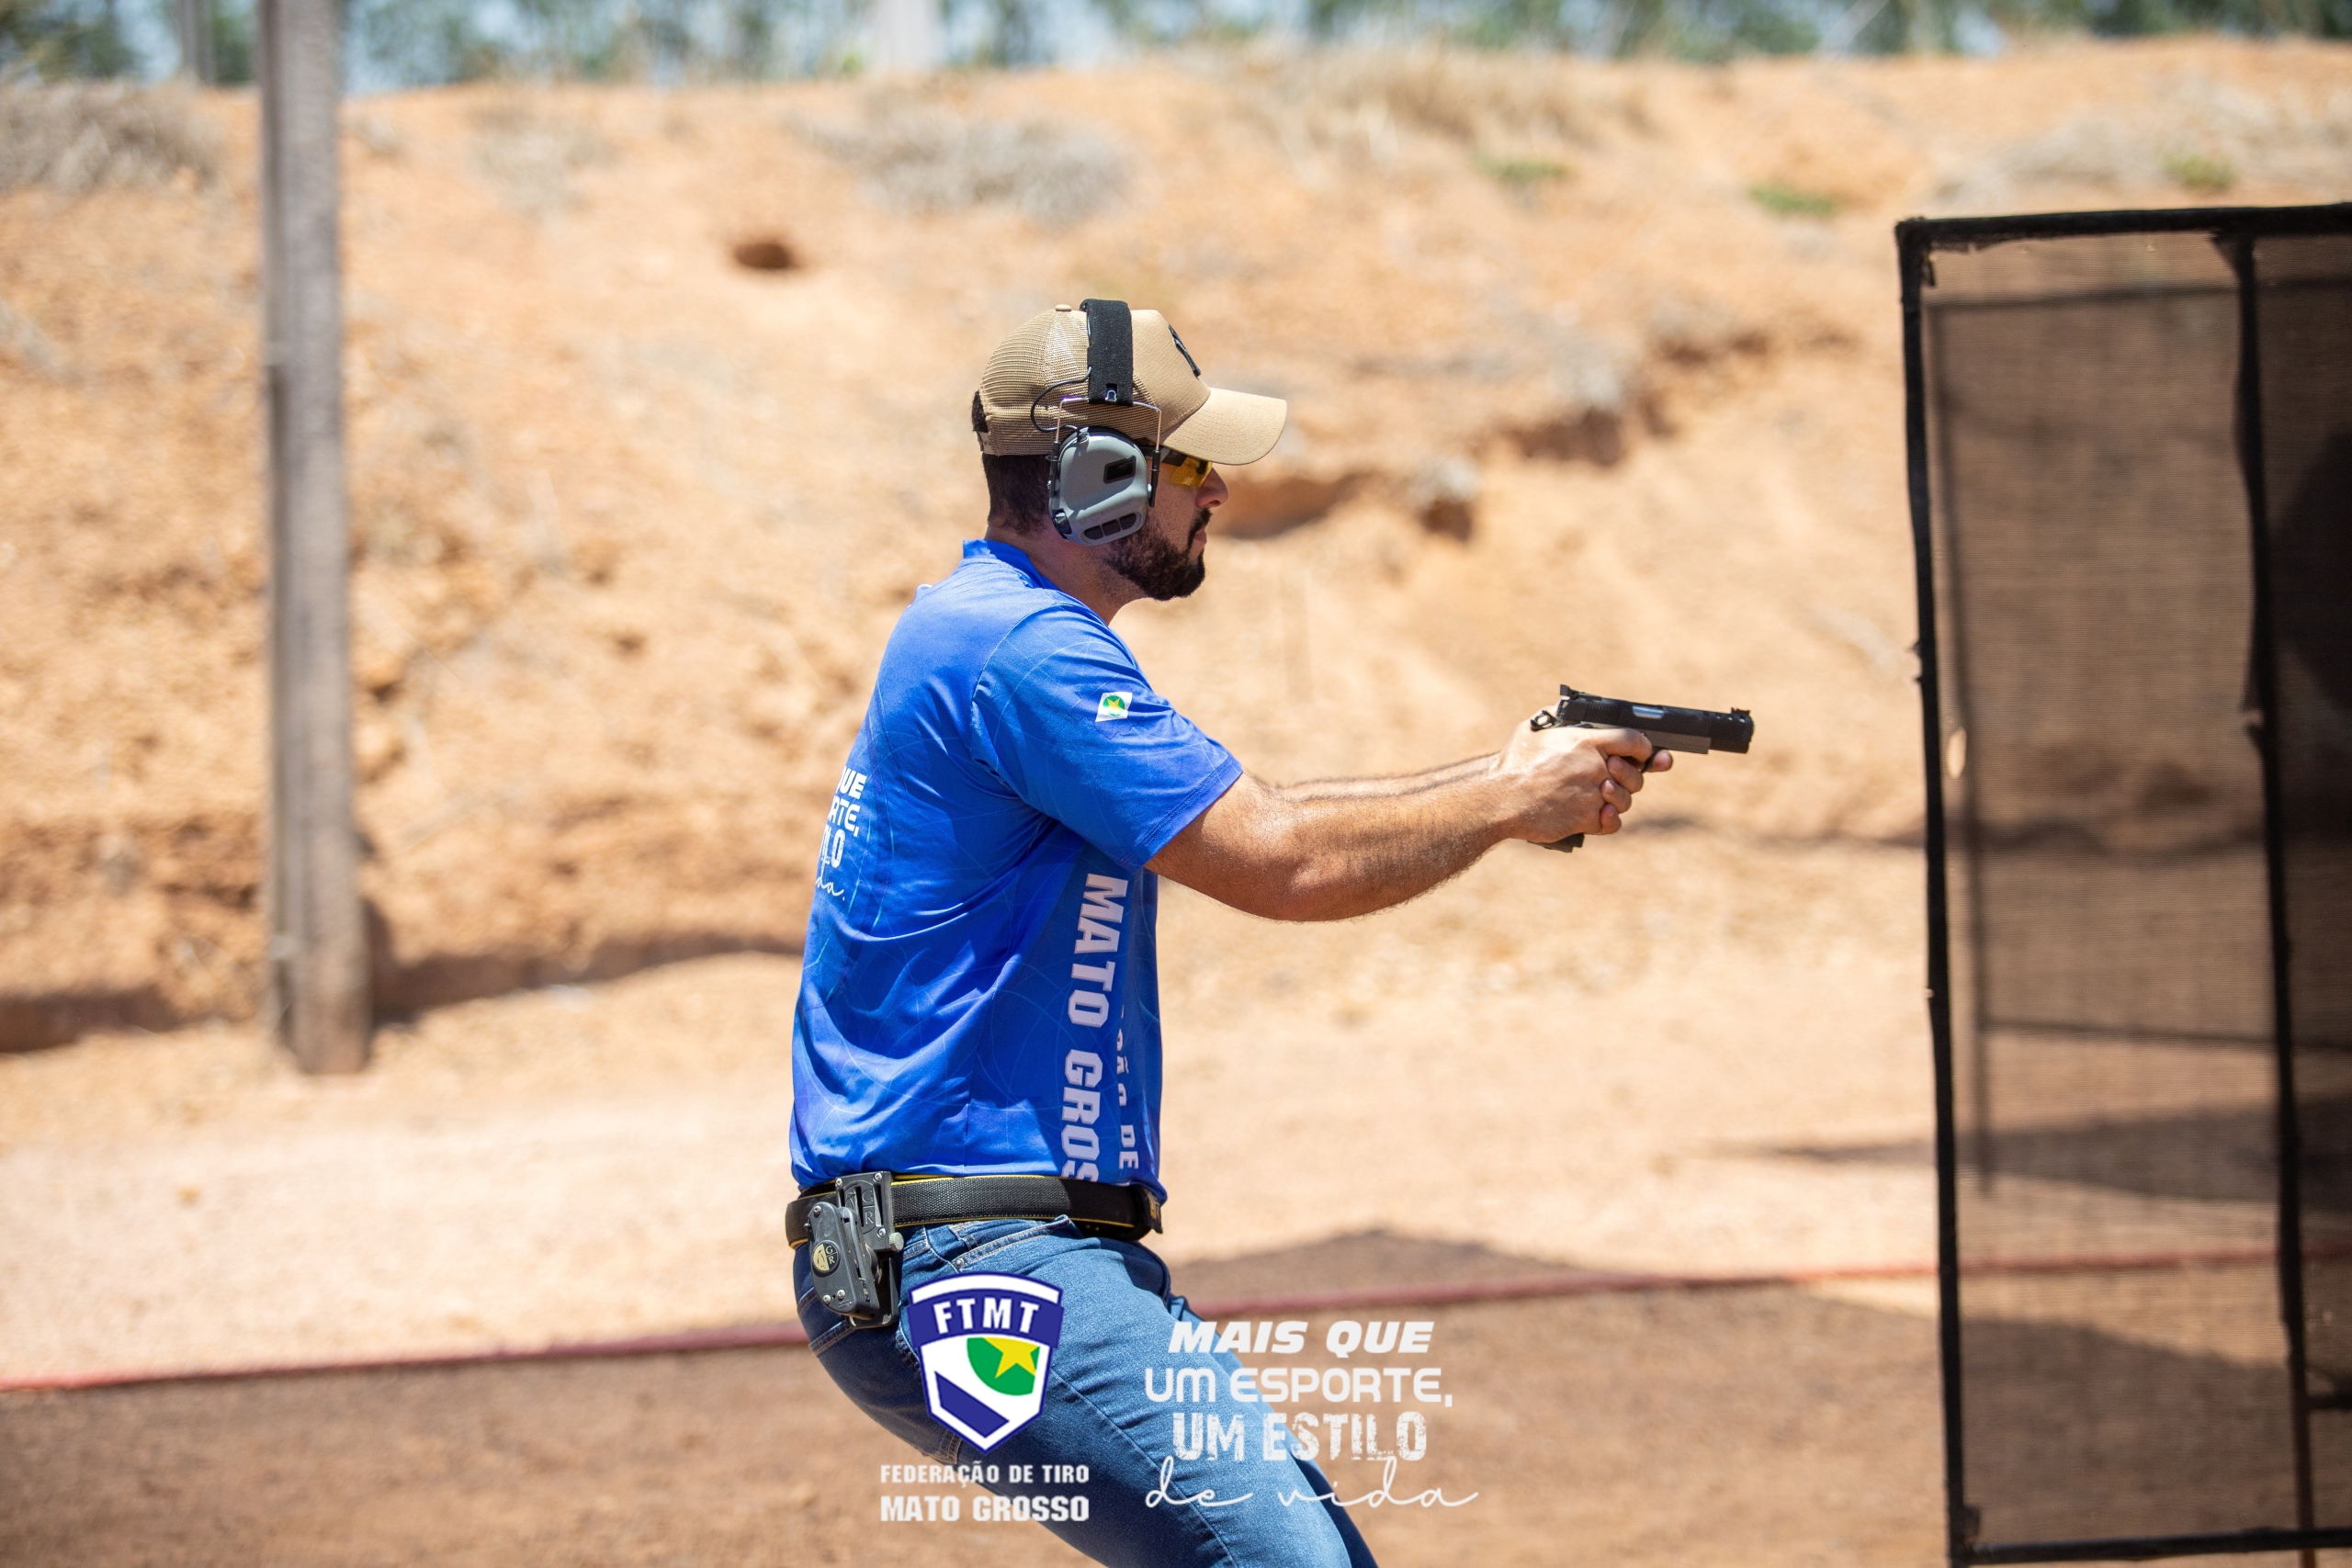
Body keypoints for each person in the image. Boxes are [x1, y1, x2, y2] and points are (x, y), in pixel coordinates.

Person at [790, 302, 1668, 1568]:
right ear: (1101, 472)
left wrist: (1505, 783)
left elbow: (1272, 819)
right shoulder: (1024, 651)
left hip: (978, 1247)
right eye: (1190, 463)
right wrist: (1504, 800)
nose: (1216, 493)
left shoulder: (990, 629)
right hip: (976, 1256)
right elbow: (1284, 860)